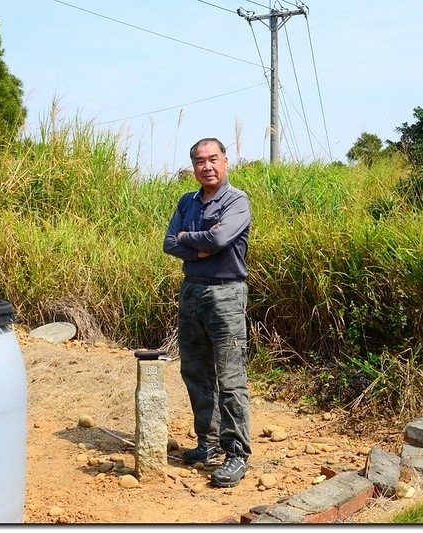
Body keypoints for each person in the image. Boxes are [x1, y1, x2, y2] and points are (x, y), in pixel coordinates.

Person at [162, 137, 252, 488]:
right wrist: (195, 247)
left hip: (226, 294)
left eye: (213, 159)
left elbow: (219, 241)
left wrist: (189, 240)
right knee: (195, 371)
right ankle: (208, 443)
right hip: (192, 293)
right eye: (200, 161)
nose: (207, 166)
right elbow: (169, 243)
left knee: (230, 378)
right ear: (193, 167)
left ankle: (236, 453)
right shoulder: (187, 201)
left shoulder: (236, 200)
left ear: (226, 162)